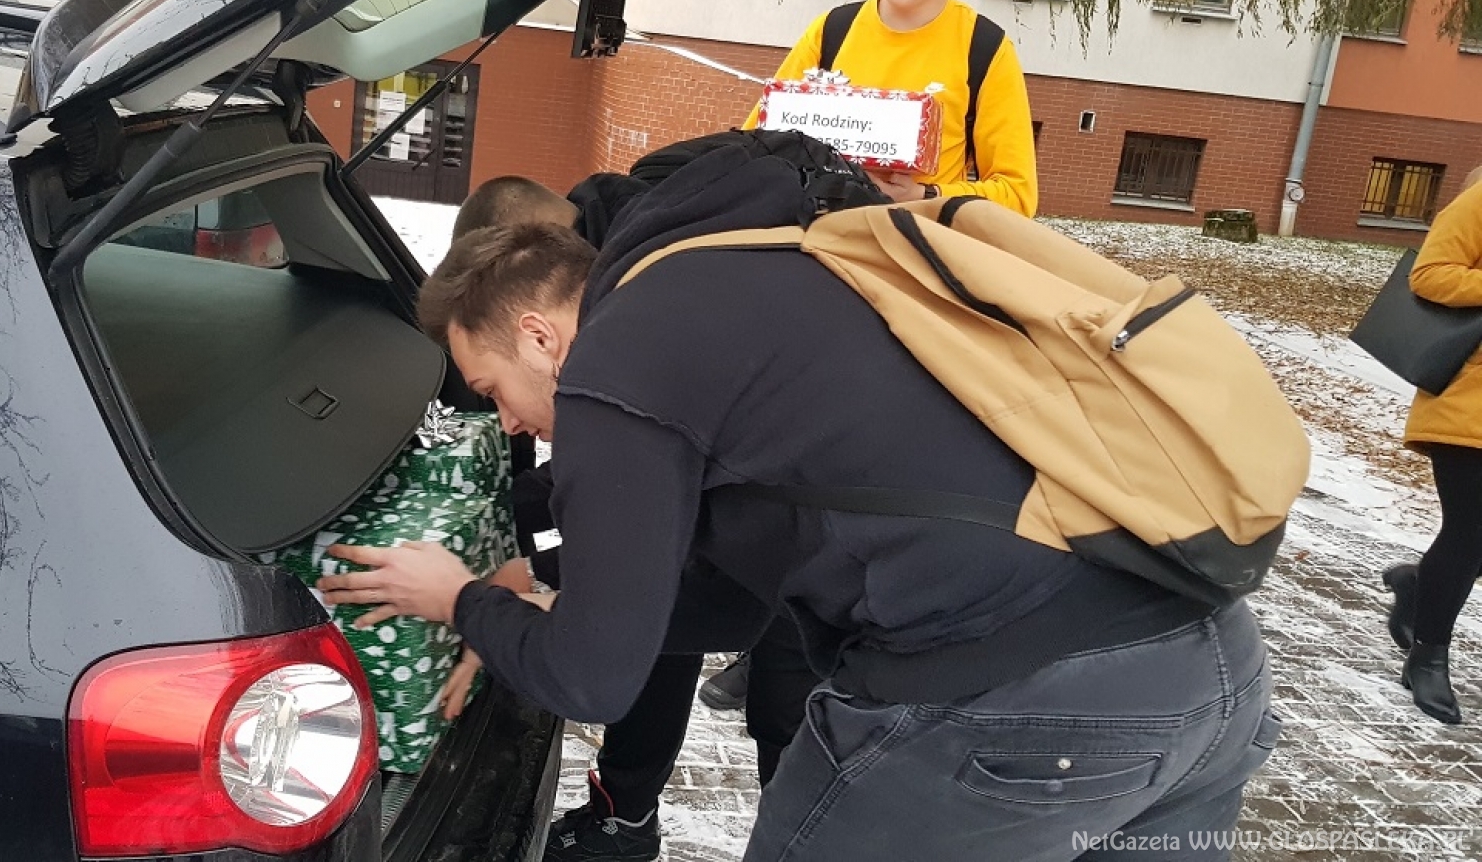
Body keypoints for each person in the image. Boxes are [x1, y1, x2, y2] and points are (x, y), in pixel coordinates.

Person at [318, 145, 1279, 860]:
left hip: (1012, 711)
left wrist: (461, 600)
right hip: (1203, 677)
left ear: (539, 336)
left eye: (493, 390)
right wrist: (545, 593)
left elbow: (594, 683)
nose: (511, 423)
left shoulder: (614, 361)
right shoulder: (737, 264)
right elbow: (741, 603)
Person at [445, 173, 819, 862]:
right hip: (919, 603)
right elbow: (696, 571)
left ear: (535, 318)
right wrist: (536, 558)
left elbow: (605, 667)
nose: (506, 421)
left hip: (936, 641)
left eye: (494, 391)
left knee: (798, 725)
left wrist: (478, 603)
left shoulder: (640, 336)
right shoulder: (654, 275)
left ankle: (639, 819)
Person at [743, 0, 1038, 216]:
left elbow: (1017, 196)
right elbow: (753, 151)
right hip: (816, 239)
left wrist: (926, 195)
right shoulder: (832, 31)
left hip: (915, 246)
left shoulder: (984, 47)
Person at [1383, 164, 1482, 726]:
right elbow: (1431, 275)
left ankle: (1419, 586)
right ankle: (1428, 657)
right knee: (1469, 532)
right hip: (1471, 403)